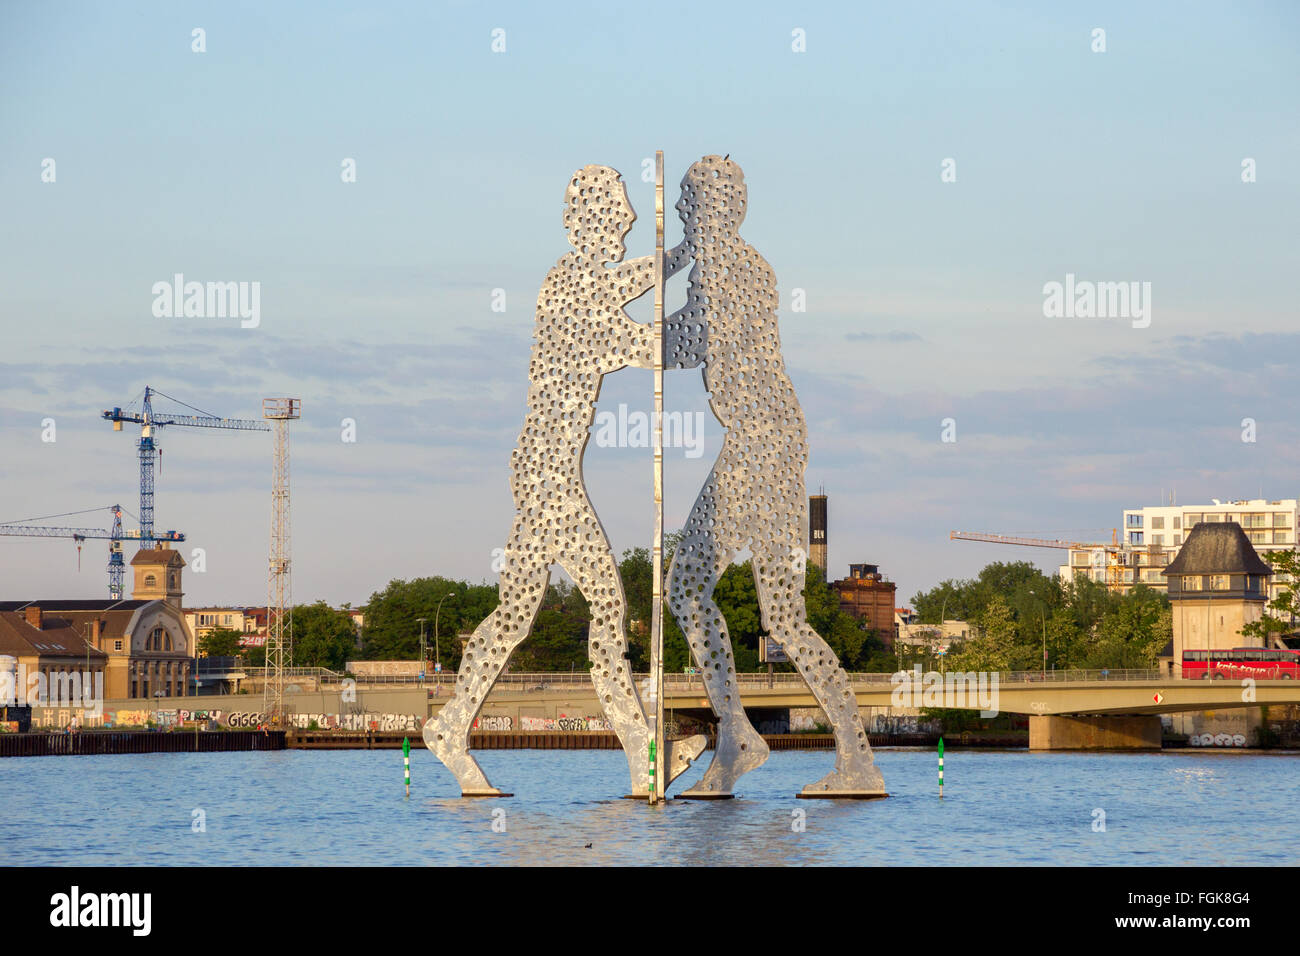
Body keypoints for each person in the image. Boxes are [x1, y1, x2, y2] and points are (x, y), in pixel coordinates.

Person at [424, 165, 703, 795]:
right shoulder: (570, 283)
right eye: (621, 212)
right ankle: (642, 752)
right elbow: (641, 343)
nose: (631, 221)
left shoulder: (578, 277)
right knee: (606, 606)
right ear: (590, 219)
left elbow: (627, 283)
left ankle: (450, 724)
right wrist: (706, 323)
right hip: (550, 476)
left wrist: (684, 254)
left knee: (517, 616)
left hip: (541, 468)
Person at [665, 156, 884, 797]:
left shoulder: (730, 268)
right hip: (766, 442)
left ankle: (776, 746)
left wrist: (616, 340)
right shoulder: (735, 263)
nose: (680, 212)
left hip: (763, 445)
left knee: (718, 598)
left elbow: (688, 341)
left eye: (688, 202)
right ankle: (776, 746)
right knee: (744, 604)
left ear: (714, 208)